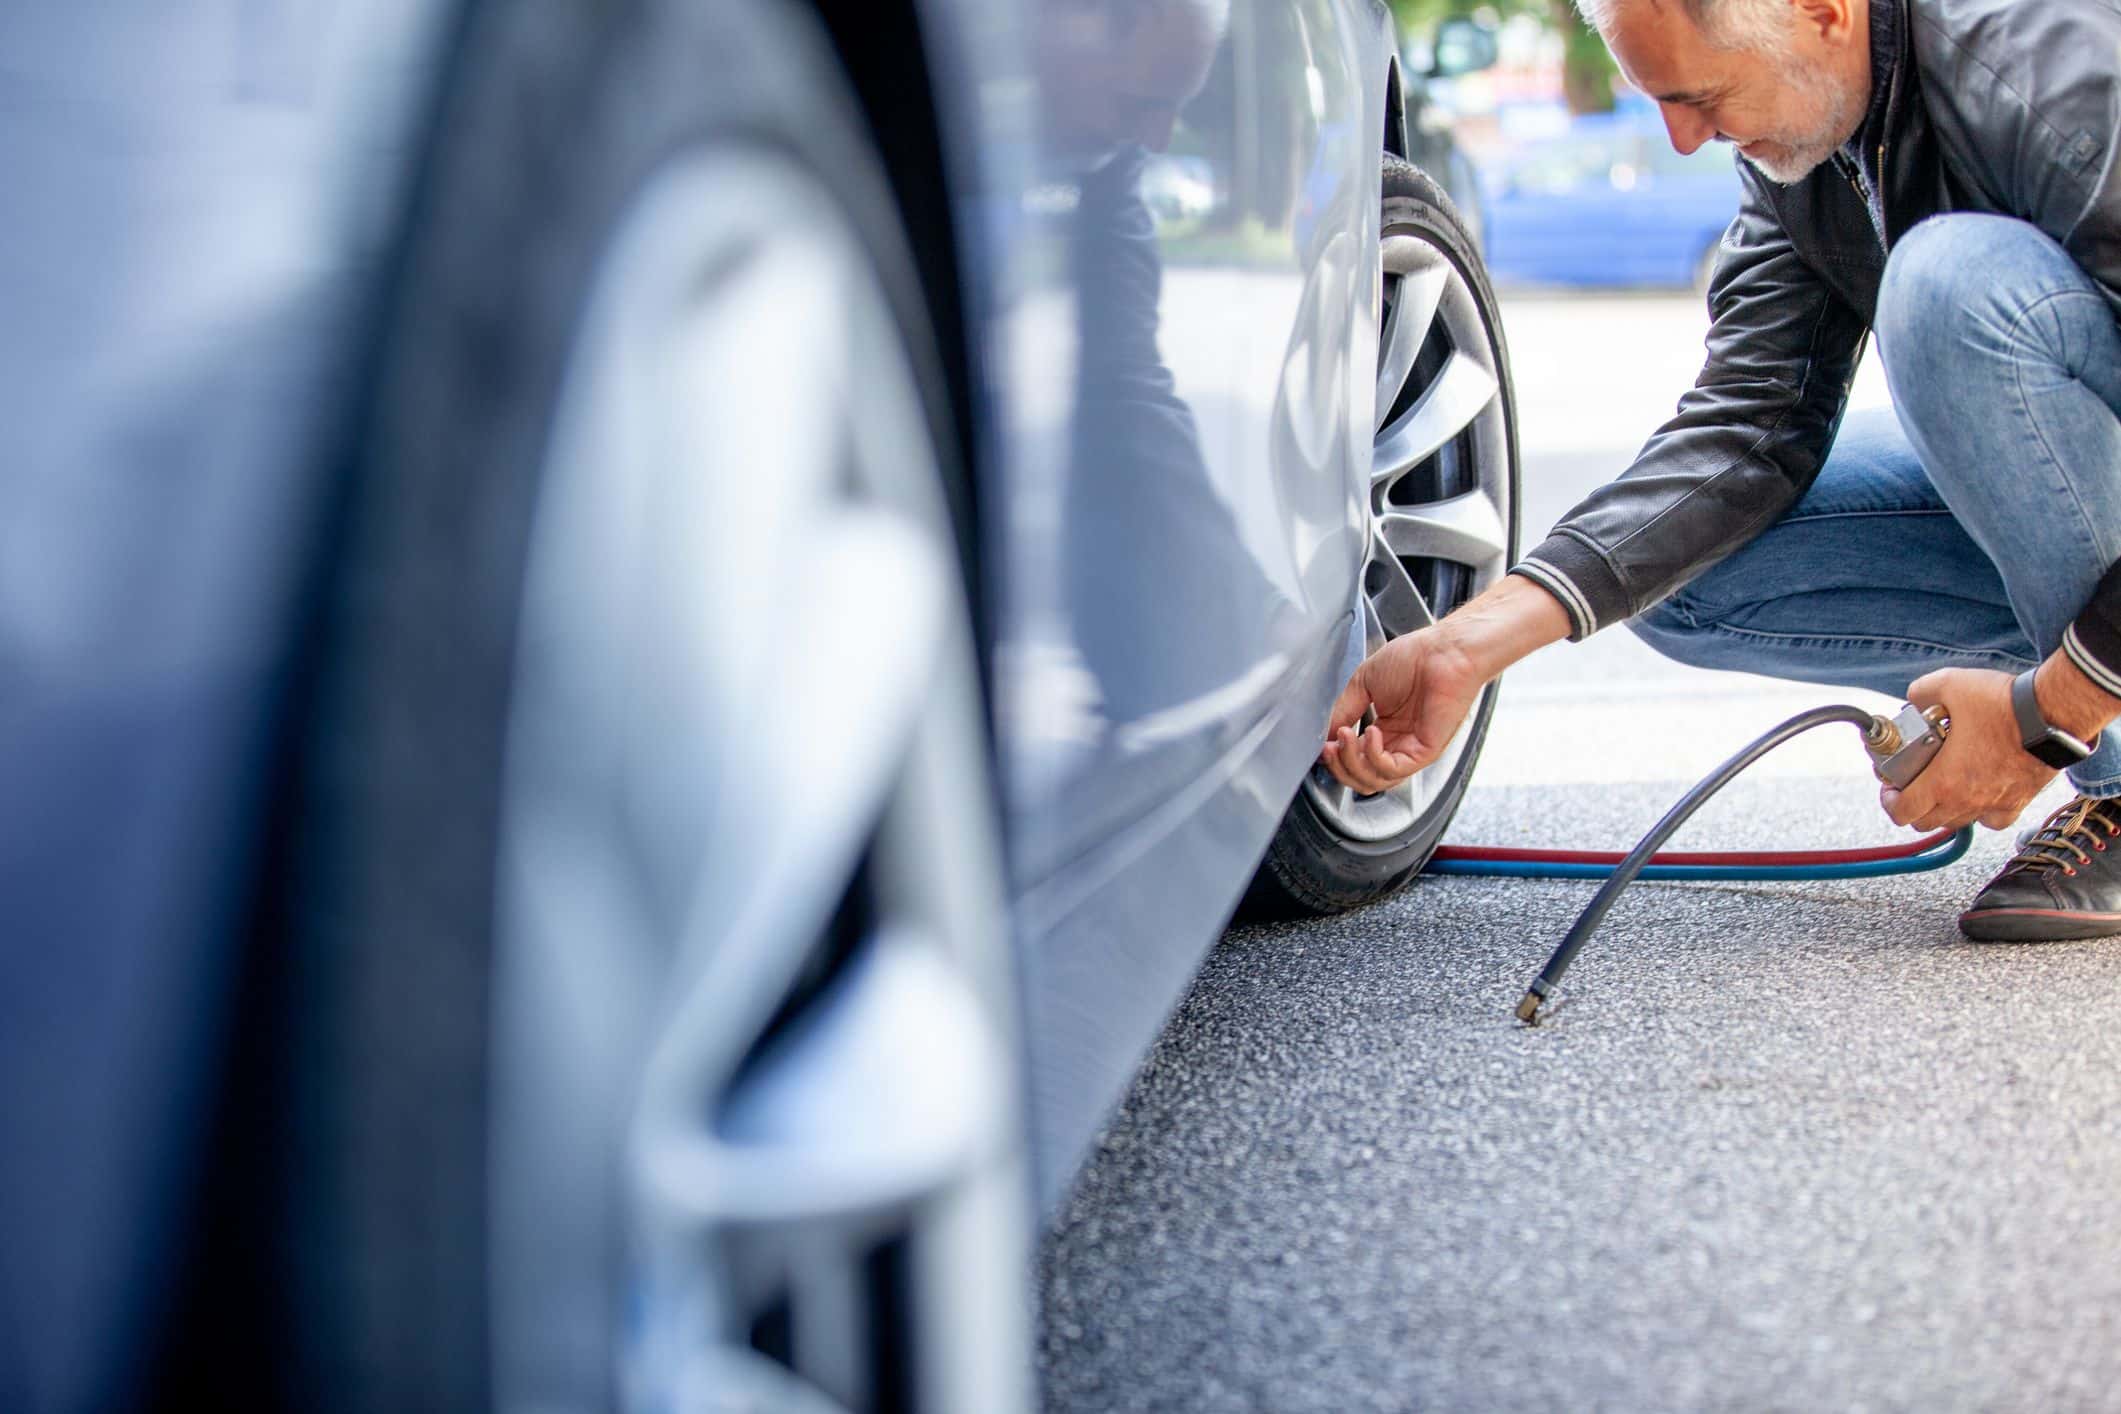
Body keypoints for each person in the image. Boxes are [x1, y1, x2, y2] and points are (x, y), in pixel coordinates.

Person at [1320, 0, 2121, 940]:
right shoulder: (1809, 134)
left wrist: (2048, 716)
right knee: (1683, 574)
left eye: (1699, 96)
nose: (1684, 138)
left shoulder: (2059, 77)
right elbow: (1744, 430)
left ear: (1822, 13)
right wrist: (1469, 643)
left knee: (1951, 285)